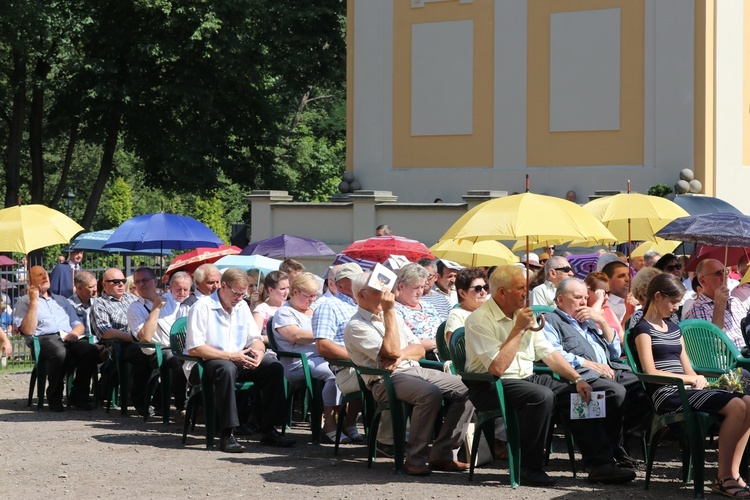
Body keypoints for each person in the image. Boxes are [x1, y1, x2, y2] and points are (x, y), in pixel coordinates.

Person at [463, 265, 636, 486]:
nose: (526, 293)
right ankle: (529, 467)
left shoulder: (522, 314)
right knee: (541, 396)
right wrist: (518, 330)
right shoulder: (479, 320)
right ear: (502, 293)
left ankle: (600, 464)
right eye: (520, 288)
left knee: (578, 393)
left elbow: (549, 354)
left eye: (527, 287)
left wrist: (577, 379)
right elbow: (497, 367)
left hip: (524, 378)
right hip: (491, 384)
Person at [632, 273, 750, 497]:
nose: (676, 308)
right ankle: (723, 477)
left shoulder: (675, 329)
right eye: (673, 302)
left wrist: (701, 379)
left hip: (686, 390)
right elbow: (650, 372)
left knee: (748, 402)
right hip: (666, 392)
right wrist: (689, 380)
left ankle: (733, 474)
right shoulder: (643, 330)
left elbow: (688, 369)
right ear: (657, 296)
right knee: (736, 406)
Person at [344, 272, 473, 476]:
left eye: (388, 291)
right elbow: (390, 351)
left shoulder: (393, 315)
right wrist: (388, 313)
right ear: (362, 295)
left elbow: (419, 349)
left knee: (468, 387)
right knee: (429, 393)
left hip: (412, 369)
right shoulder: (356, 325)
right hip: (384, 380)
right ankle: (415, 459)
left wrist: (400, 356)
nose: (388, 296)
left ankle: (443, 453)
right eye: (381, 292)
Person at [542, 277, 646, 469]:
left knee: (644, 386)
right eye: (577, 298)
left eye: (584, 297)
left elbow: (615, 353)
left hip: (609, 368)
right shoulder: (550, 320)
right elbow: (554, 353)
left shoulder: (588, 321)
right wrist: (587, 363)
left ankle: (616, 443)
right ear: (560, 300)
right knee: (615, 392)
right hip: (579, 374)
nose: (583, 302)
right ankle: (609, 450)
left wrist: (602, 322)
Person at [186, 267, 293, 452]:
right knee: (226, 368)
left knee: (273, 366)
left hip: (236, 359)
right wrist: (231, 355)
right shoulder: (202, 307)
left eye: (243, 294)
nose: (239, 298)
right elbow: (195, 347)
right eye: (236, 293)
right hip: (204, 363)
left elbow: (255, 339)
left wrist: (259, 352)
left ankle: (269, 429)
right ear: (223, 286)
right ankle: (227, 434)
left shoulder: (242, 306)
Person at [13, 265, 99, 411]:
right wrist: (34, 301)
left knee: (89, 350)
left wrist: (75, 334)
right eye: (39, 275)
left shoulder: (61, 300)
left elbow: (78, 324)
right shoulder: (24, 301)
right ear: (29, 281)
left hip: (68, 337)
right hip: (44, 339)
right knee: (60, 352)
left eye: (46, 274)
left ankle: (78, 394)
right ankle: (54, 396)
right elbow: (27, 330)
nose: (45, 277)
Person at [272, 272, 339, 441]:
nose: (311, 299)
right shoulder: (284, 313)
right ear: (294, 292)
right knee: (336, 375)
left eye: (314, 296)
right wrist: (323, 334)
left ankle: (348, 423)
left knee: (352, 373)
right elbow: (296, 336)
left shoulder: (315, 310)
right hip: (298, 362)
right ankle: (329, 423)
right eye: (307, 295)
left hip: (321, 357)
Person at [312, 263, 365, 444]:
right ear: (340, 285)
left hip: (362, 363)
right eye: (355, 281)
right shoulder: (329, 306)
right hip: (343, 364)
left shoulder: (364, 305)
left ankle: (349, 423)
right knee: (380, 377)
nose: (362, 284)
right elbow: (323, 345)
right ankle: (330, 425)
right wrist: (357, 358)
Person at [90, 268, 152, 416]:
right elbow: (105, 332)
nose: (120, 285)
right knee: (142, 355)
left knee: (163, 355)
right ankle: (139, 399)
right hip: (120, 346)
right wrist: (134, 337)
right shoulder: (100, 304)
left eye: (123, 281)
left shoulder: (132, 299)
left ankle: (159, 399)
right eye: (115, 282)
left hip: (143, 339)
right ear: (104, 284)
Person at [127, 267, 187, 418]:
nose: (141, 284)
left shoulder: (171, 301)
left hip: (180, 346)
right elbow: (145, 338)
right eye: (137, 282)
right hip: (156, 352)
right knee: (177, 360)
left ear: (155, 281)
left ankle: (200, 404)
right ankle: (182, 407)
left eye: (145, 280)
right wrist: (155, 309)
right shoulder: (135, 308)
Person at [685, 258, 749, 349]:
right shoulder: (698, 309)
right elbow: (715, 345)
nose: (724, 276)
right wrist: (719, 305)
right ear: (702, 281)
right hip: (730, 360)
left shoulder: (735, 301)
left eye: (725, 271)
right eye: (718, 273)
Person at [393, 264, 443, 361]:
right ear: (401, 286)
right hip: (425, 359)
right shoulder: (395, 309)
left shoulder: (428, 305)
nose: (420, 292)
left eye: (422, 287)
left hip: (443, 352)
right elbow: (406, 343)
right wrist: (437, 343)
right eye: (416, 288)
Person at [444, 267, 488, 344]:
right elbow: (457, 349)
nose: (483, 292)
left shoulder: (489, 311)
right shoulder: (456, 315)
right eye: (478, 288)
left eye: (485, 287)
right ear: (462, 293)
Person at [584, 272, 624, 345]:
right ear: (587, 291)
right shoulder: (583, 311)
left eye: (608, 293)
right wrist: (599, 300)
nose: (606, 297)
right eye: (601, 293)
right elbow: (591, 319)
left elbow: (622, 338)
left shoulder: (607, 309)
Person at [252, 271, 289, 340]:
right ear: (271, 290)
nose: (287, 292)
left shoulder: (291, 305)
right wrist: (279, 340)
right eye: (283, 289)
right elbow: (255, 337)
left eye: (288, 288)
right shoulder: (261, 310)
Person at [68, 270, 98, 337]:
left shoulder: (97, 303)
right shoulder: (69, 305)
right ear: (79, 288)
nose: (95, 289)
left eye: (96, 285)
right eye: (91, 287)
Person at [602, 260, 632, 325]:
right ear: (608, 281)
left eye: (629, 275)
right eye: (621, 276)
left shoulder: (639, 301)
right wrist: (629, 312)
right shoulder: (605, 307)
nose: (627, 279)